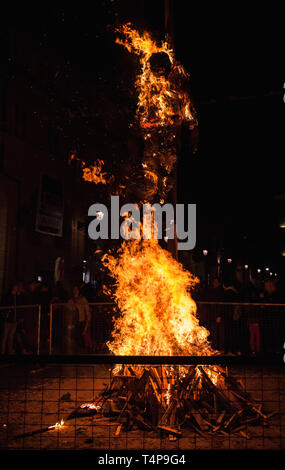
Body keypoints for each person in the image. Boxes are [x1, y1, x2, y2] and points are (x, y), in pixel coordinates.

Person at [67, 286, 91, 354]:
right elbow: (68, 310)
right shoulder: (70, 300)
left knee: (81, 338)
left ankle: (82, 352)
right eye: (74, 289)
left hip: (81, 321)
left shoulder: (83, 299)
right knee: (74, 338)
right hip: (73, 322)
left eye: (76, 289)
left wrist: (88, 320)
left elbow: (87, 310)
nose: (75, 291)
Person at [1, 284, 19, 354]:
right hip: (8, 319)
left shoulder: (17, 296)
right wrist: (6, 314)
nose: (17, 288)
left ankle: (10, 351)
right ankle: (2, 352)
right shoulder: (7, 296)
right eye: (16, 286)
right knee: (5, 336)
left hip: (14, 319)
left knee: (11, 336)